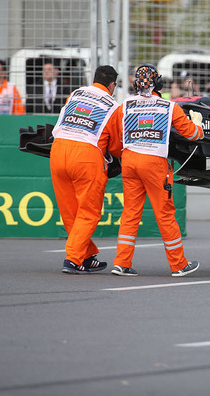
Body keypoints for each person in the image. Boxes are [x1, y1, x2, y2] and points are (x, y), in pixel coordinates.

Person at [110, 64, 204, 277]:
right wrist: (198, 125)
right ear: (158, 84)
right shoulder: (169, 107)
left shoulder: (124, 105)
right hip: (153, 162)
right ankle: (178, 265)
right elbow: (191, 134)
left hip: (130, 160)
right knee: (165, 214)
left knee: (130, 213)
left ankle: (121, 263)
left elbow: (116, 137)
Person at [50, 65, 123, 274]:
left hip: (58, 150)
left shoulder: (76, 93)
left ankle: (87, 256)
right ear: (112, 85)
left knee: (70, 210)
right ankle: (73, 259)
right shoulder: (113, 105)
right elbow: (116, 145)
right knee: (89, 212)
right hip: (86, 155)